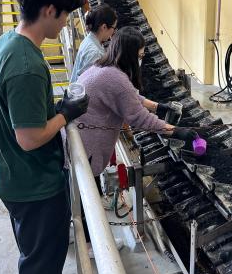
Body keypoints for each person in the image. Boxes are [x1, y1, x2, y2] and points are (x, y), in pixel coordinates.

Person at [0, 0, 89, 274]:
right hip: (31, 180)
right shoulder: (27, 65)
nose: (64, 24)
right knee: (40, 254)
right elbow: (28, 138)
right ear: (49, 10)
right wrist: (66, 113)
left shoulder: (6, 43)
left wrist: (53, 108)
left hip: (14, 173)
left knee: (41, 250)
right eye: (64, 16)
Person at [75, 27, 198, 208]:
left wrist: (157, 106)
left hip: (80, 139)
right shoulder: (116, 78)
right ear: (129, 56)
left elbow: (129, 96)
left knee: (85, 188)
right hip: (88, 147)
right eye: (139, 57)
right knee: (86, 201)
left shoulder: (103, 66)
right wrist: (177, 132)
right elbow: (140, 119)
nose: (140, 61)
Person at [70, 3, 117, 82]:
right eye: (114, 28)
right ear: (104, 27)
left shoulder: (91, 39)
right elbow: (89, 84)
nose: (114, 32)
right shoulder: (94, 53)